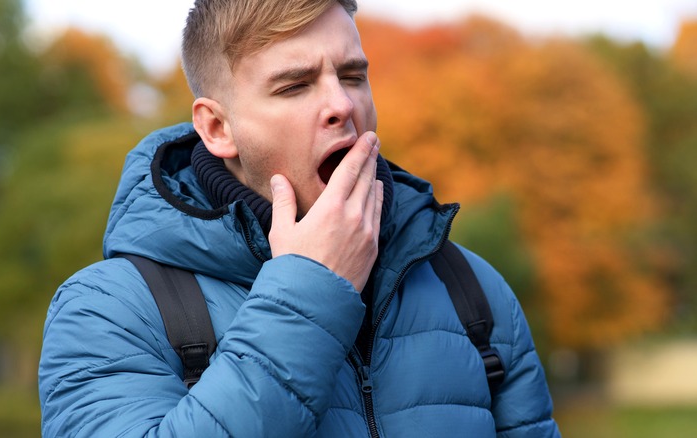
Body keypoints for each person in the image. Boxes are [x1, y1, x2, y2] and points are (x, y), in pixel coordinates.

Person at [38, 0, 561, 436]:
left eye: (353, 75)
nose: (341, 104)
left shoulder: (472, 289)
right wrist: (311, 288)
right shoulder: (105, 310)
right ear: (218, 128)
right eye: (295, 85)